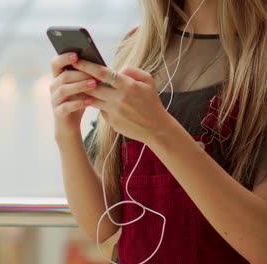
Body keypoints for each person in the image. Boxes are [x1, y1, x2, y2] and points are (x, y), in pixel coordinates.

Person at [49, 0, 266, 263]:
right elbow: (101, 224)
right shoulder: (136, 49)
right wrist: (67, 134)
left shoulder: (259, 63)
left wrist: (161, 131)